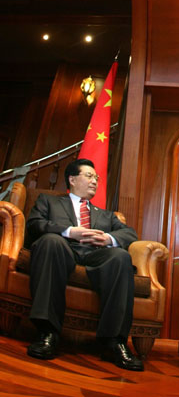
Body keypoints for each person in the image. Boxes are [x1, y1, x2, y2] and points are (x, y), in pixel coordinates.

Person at [25, 158, 143, 371]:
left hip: (94, 254)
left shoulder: (106, 215)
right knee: (50, 241)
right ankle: (47, 332)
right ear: (72, 179)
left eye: (96, 178)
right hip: (62, 248)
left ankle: (114, 342)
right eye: (89, 176)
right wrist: (70, 232)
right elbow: (34, 225)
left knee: (120, 257)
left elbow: (130, 233)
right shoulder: (49, 201)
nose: (95, 182)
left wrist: (108, 239)